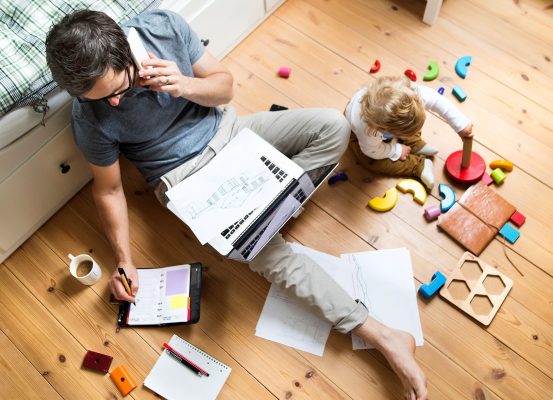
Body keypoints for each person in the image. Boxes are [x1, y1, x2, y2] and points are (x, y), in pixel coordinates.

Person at [46, 9, 427, 399]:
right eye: (99, 98)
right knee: (261, 250)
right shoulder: (89, 115)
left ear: (126, 51)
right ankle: (379, 333)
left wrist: (183, 85)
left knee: (333, 126)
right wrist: (124, 259)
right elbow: (108, 190)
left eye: (118, 90)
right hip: (185, 179)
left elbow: (225, 87)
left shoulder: (161, 27)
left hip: (231, 131)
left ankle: (267, 213)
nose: (113, 103)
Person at [345, 76, 473, 190]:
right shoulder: (368, 132)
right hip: (364, 140)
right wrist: (395, 150)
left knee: (410, 122)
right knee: (370, 162)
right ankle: (417, 166)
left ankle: (415, 143)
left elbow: (437, 100)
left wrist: (460, 124)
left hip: (389, 125)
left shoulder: (411, 94)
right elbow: (373, 151)